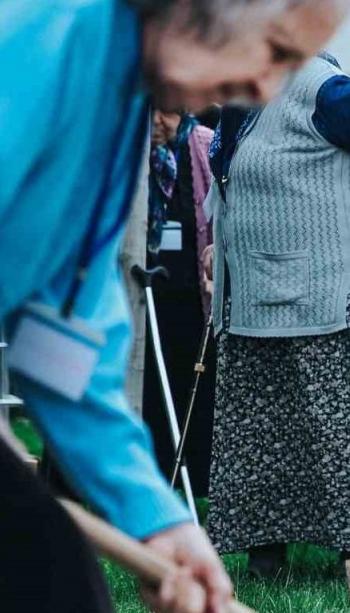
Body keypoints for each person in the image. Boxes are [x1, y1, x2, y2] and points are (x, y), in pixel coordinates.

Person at [0, 0, 350, 611]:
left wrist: (159, 520)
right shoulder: (51, 5)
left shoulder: (119, 104)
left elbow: (65, 340)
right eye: (272, 50)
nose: (262, 89)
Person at [204, 53, 350, 576]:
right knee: (261, 432)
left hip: (328, 295)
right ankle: (265, 556)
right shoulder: (238, 97)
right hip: (256, 295)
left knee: (338, 425)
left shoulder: (318, 85)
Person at [142, 109, 218, 496]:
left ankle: (193, 485)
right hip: (145, 296)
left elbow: (221, 209)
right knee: (149, 391)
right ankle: (153, 482)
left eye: (166, 113)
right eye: (151, 111)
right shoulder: (133, 150)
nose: (157, 121)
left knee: (194, 389)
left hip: (193, 298)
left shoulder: (204, 144)